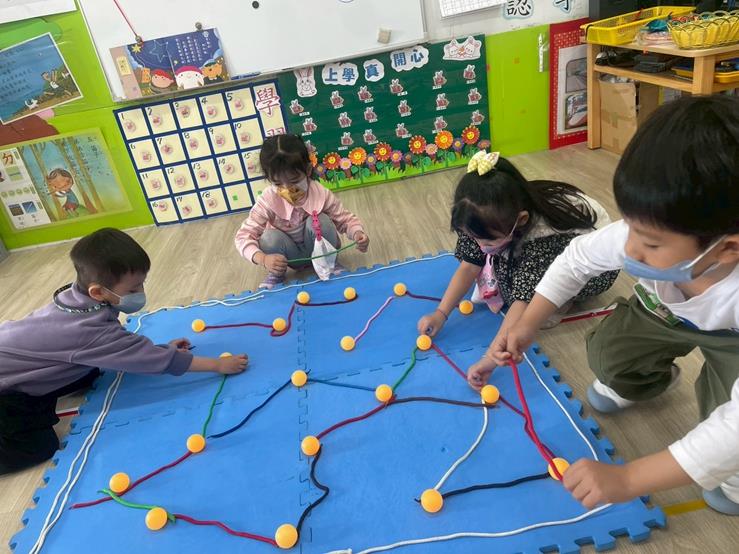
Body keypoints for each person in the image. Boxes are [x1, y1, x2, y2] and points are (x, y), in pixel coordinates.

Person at [487, 95, 739, 515]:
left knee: (725, 426)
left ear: (727, 248)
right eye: (630, 227)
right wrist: (528, 322)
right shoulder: (645, 231)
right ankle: (646, 380)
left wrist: (629, 479)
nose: (631, 249)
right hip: (663, 312)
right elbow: (574, 261)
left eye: (651, 244)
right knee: (609, 355)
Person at [0, 228, 248, 475]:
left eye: (141, 284)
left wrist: (156, 349)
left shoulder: (78, 297)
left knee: (91, 371)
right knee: (39, 447)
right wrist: (218, 365)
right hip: (7, 387)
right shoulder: (88, 331)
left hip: (17, 362)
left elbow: (122, 346)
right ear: (98, 292)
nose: (140, 294)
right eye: (132, 290)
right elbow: (156, 360)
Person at [418, 151, 617, 364]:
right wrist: (441, 313)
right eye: (475, 238)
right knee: (505, 275)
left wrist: (489, 359)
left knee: (516, 291)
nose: (480, 245)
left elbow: (520, 302)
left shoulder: (540, 238)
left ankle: (558, 301)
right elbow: (469, 265)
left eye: (488, 241)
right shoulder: (478, 216)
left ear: (521, 220)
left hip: (597, 269)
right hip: (530, 241)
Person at [235, 134, 369, 289]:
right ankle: (277, 273)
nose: (287, 189)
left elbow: (344, 219)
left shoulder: (320, 193)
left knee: (320, 221)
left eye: (294, 181)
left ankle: (329, 263)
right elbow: (243, 236)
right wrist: (263, 259)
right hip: (290, 256)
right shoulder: (268, 200)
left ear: (308, 170)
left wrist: (357, 233)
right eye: (277, 183)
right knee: (268, 238)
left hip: (319, 249)